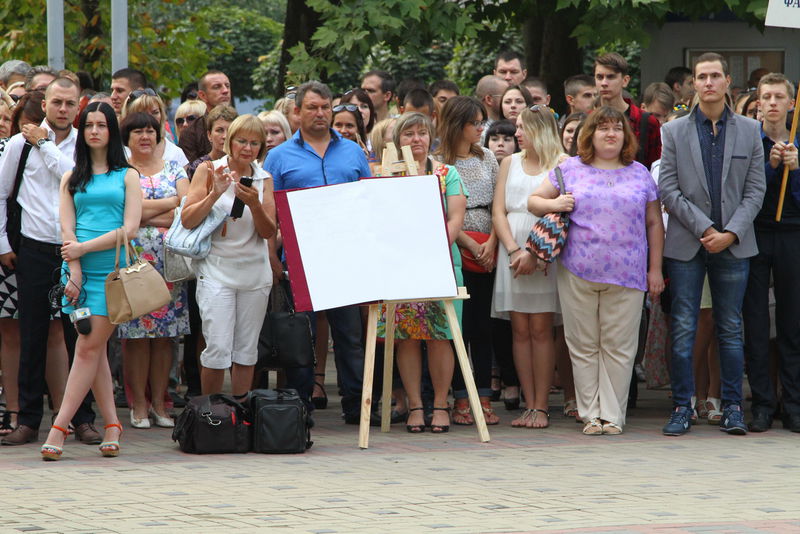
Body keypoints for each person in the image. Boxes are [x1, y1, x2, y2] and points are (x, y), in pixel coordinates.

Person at [529, 106, 664, 435]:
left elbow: (654, 223)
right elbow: (534, 201)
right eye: (602, 128)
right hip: (578, 269)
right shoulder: (570, 169)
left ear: (625, 135)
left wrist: (655, 269)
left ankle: (613, 416)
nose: (611, 134)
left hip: (629, 272)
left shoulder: (640, 173)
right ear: (589, 134)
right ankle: (590, 415)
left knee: (620, 346)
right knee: (583, 344)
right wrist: (555, 204)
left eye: (617, 128)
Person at [659, 52, 766, 437]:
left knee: (731, 328)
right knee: (685, 327)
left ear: (727, 83)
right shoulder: (673, 131)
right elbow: (667, 189)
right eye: (701, 76)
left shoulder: (751, 131)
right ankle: (682, 406)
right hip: (689, 242)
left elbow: (756, 191)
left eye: (714, 76)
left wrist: (731, 233)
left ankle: (734, 407)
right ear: (693, 84)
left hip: (735, 244)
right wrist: (706, 229)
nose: (707, 82)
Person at [0, 78, 101, 447]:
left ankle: (82, 419)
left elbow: (76, 182)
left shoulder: (86, 146)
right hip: (33, 248)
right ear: (44, 105)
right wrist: (3, 243)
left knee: (81, 335)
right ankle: (27, 420)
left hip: (75, 250)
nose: (62, 109)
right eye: (56, 102)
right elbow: (1, 192)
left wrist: (42, 144)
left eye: (69, 104)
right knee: (32, 335)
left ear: (79, 106)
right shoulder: (16, 145)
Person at [264, 81, 372, 424]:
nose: (321, 113)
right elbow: (270, 214)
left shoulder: (354, 152)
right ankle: (300, 407)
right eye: (313, 107)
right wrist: (272, 258)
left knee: (350, 337)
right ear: (297, 111)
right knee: (301, 337)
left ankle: (356, 406)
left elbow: (368, 202)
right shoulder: (279, 157)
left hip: (348, 259)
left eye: (326, 107)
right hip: (300, 261)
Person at [39, 101, 142, 460]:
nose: (95, 130)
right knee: (92, 351)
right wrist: (77, 264)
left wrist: (84, 249)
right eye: (90, 125)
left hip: (113, 274)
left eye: (102, 124)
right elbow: (65, 228)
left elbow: (129, 229)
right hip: (77, 271)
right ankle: (112, 425)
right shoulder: (72, 177)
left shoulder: (128, 175)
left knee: (84, 349)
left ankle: (59, 427)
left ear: (112, 131)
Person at [377, 111, 467, 433]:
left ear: (431, 138)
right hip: (401, 267)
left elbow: (455, 218)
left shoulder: (447, 172)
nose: (416, 139)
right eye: (409, 134)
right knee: (408, 337)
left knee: (441, 336)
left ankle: (440, 404)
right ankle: (415, 404)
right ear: (397, 139)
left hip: (441, 262)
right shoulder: (387, 175)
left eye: (422, 133)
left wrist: (434, 247)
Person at [182, 114, 276, 398]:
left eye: (254, 143)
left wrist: (254, 204)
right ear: (229, 141)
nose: (247, 148)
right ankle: (211, 413)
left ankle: (238, 414)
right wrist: (214, 194)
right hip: (215, 269)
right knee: (218, 347)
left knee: (246, 350)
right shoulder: (209, 169)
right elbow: (187, 220)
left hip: (254, 273)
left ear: (261, 148)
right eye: (241, 141)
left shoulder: (263, 178)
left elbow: (268, 232)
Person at [492, 105, 564, 429]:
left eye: (522, 128)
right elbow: (499, 212)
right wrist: (512, 250)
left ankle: (542, 405)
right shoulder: (509, 163)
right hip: (513, 252)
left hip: (546, 252)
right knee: (519, 330)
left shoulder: (561, 164)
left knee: (541, 329)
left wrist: (536, 252)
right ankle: (527, 403)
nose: (516, 134)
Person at [117, 112, 190, 429]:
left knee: (165, 337)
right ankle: (139, 405)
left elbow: (185, 210)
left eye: (150, 130)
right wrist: (168, 203)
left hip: (169, 264)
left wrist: (142, 212)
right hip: (132, 262)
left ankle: (161, 403)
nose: (145, 136)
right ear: (127, 137)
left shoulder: (175, 167)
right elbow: (122, 212)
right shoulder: (120, 170)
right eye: (138, 131)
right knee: (135, 336)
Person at [437, 96, 499, 426]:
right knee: (458, 327)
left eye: (482, 122)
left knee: (483, 326)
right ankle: (461, 398)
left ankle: (485, 397)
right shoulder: (440, 162)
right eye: (474, 122)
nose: (480, 128)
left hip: (489, 244)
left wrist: (491, 242)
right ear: (457, 123)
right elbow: (444, 212)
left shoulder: (488, 157)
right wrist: (467, 244)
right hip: (456, 247)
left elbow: (498, 203)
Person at [744, 73, 800, 433]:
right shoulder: (750, 141)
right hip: (757, 234)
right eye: (767, 97)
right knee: (756, 321)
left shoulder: (798, 143)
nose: (773, 103)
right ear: (759, 103)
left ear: (792, 103)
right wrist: (772, 166)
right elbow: (745, 193)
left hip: (794, 234)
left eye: (780, 96)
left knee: (793, 323)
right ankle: (763, 403)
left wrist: (795, 171)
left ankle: (793, 405)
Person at [594, 53, 661, 168]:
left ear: (625, 80)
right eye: (599, 77)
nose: (604, 83)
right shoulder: (587, 120)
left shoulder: (647, 121)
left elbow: (655, 168)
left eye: (611, 77)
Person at [122, 89, 188, 167]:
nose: (150, 118)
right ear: (129, 117)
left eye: (155, 112)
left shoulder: (175, 153)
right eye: (143, 113)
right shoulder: (119, 153)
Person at [179, 71, 232, 163]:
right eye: (217, 87)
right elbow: (192, 174)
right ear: (202, 95)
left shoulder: (242, 125)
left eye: (227, 86)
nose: (225, 91)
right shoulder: (190, 134)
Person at [187, 105, 238, 181]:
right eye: (219, 130)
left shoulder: (243, 165)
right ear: (209, 135)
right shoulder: (196, 167)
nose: (225, 136)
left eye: (230, 130)